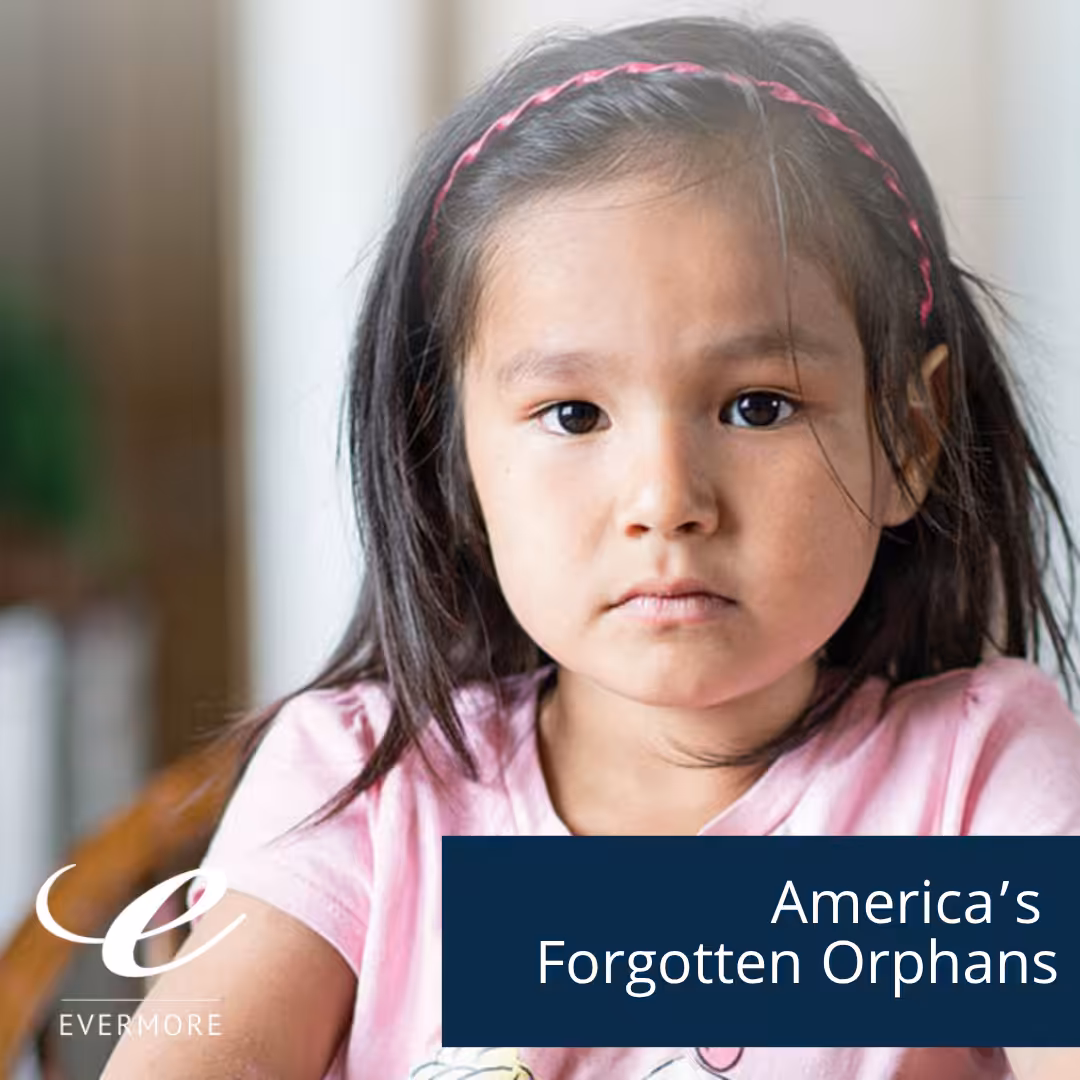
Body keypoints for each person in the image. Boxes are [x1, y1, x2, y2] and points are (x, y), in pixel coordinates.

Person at [102, 15, 1080, 1080]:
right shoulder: (361, 789)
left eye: (758, 406)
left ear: (908, 434)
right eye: (572, 415)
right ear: (454, 456)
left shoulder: (983, 781)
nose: (666, 502)